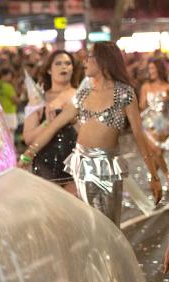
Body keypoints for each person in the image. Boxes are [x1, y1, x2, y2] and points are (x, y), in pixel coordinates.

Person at [21, 42, 162, 226]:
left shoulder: (124, 94)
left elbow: (139, 135)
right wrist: (28, 155)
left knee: (109, 227)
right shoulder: (83, 94)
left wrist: (154, 175)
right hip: (81, 166)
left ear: (103, 61)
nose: (84, 61)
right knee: (88, 227)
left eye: (89, 57)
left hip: (107, 168)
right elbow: (54, 125)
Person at [23, 50, 79, 193]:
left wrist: (74, 120)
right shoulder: (38, 100)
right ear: (49, 70)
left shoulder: (82, 96)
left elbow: (91, 134)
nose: (63, 67)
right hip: (45, 167)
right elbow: (28, 138)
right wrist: (47, 123)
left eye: (68, 63)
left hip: (76, 166)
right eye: (58, 63)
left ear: (73, 68)